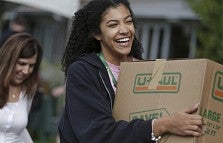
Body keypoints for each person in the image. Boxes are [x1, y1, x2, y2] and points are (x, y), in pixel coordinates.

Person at [58, 0, 203, 143]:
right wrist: (163, 125)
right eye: (113, 24)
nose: (124, 30)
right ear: (97, 34)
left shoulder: (147, 70)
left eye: (128, 21)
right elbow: (97, 134)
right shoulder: (82, 71)